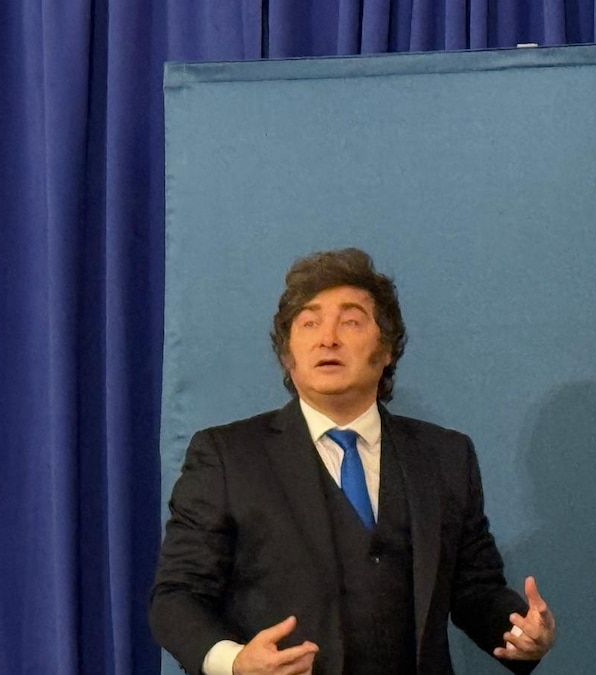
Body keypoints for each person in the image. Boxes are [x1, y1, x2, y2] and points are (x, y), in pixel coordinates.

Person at [150, 248, 555, 675]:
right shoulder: (228, 457)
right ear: (288, 354)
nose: (328, 339)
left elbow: (477, 590)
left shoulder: (445, 456)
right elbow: (177, 596)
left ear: (386, 349)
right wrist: (235, 662)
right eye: (309, 323)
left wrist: (519, 632)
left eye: (350, 322)